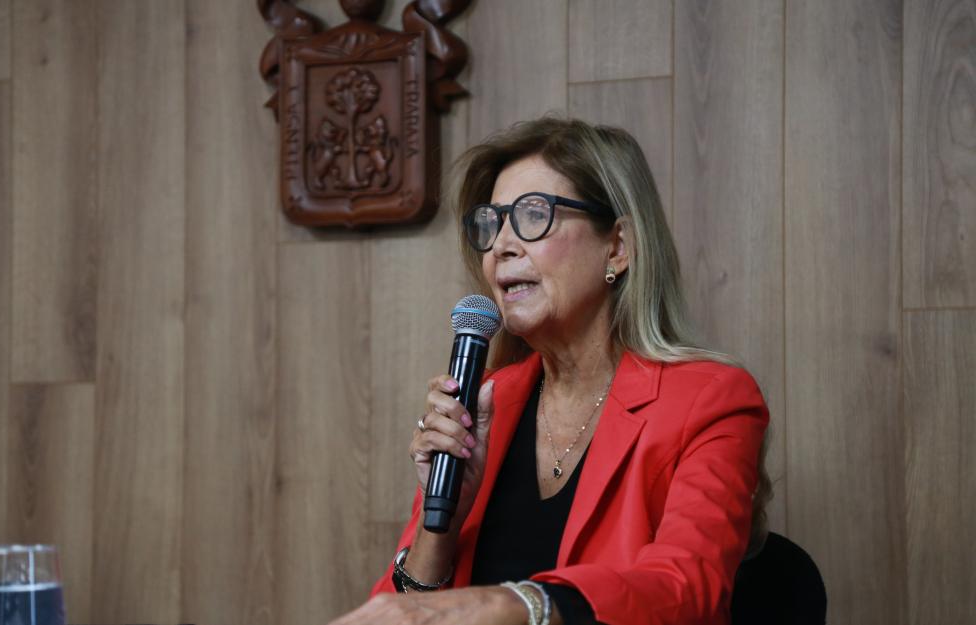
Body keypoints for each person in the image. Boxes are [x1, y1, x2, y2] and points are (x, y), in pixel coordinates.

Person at [329, 117, 772, 625]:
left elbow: (688, 588)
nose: (501, 245)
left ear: (618, 246)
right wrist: (442, 523)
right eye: (492, 224)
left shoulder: (711, 400)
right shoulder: (485, 400)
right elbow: (404, 611)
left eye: (533, 215)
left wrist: (514, 603)